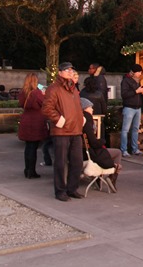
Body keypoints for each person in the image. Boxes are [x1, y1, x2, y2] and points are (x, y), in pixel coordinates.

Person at [42, 62, 86, 201]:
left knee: (77, 162)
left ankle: (72, 189)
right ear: (60, 73)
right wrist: (59, 120)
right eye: (66, 70)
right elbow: (47, 108)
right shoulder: (54, 88)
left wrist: (81, 118)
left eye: (71, 70)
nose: (69, 72)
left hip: (76, 130)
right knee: (60, 163)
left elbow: (77, 106)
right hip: (61, 131)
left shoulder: (73, 88)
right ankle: (60, 191)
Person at [81, 98, 122, 190]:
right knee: (118, 152)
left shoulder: (82, 119)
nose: (92, 109)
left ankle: (104, 177)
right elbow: (94, 142)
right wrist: (103, 141)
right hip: (92, 153)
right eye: (90, 107)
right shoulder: (87, 119)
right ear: (84, 108)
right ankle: (112, 177)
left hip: (87, 151)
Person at [18, 73, 49, 179]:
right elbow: (44, 103)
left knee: (28, 147)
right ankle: (32, 171)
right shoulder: (37, 93)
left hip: (26, 120)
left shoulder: (23, 92)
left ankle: (27, 169)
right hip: (36, 121)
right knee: (33, 147)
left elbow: (21, 104)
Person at [120, 64, 143, 157]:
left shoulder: (137, 81)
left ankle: (135, 149)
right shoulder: (125, 81)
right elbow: (124, 94)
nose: (140, 74)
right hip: (129, 108)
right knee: (125, 130)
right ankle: (124, 150)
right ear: (134, 72)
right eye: (139, 72)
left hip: (137, 108)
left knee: (135, 129)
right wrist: (137, 91)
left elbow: (138, 94)